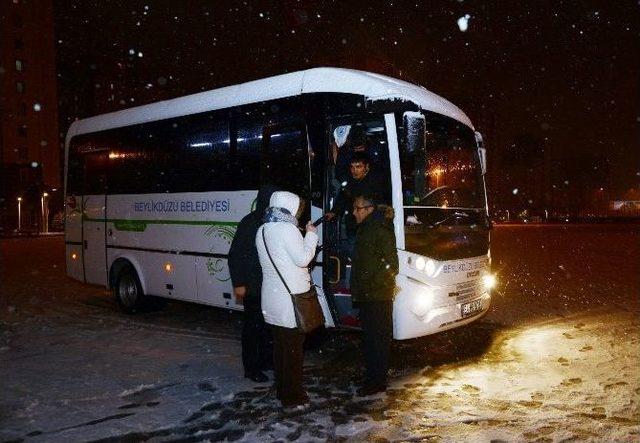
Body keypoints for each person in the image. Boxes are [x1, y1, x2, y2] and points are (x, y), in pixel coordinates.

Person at [256, 191, 319, 412]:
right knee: (293, 352)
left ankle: (283, 391)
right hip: (290, 302)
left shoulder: (263, 229)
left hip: (272, 300)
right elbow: (303, 259)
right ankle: (293, 398)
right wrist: (311, 235)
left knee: (281, 350)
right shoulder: (288, 229)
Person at [228, 185, 278, 383]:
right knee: (252, 329)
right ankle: (251, 368)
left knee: (267, 327)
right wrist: (239, 283)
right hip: (253, 285)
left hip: (268, 285)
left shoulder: (271, 222)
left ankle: (266, 360)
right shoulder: (250, 223)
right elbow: (236, 255)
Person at [350, 193, 399, 396]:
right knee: (371, 340)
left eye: (358, 208)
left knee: (377, 341)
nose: (354, 212)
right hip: (368, 295)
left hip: (377, 296)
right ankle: (373, 377)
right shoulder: (367, 227)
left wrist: (373, 285)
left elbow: (391, 264)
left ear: (370, 209)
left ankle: (376, 382)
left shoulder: (379, 228)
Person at [326, 151, 385, 254]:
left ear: (367, 167)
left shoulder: (376, 183)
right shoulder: (349, 181)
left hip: (370, 229)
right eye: (352, 167)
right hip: (353, 227)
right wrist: (334, 212)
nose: (354, 170)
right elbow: (342, 198)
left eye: (358, 167)